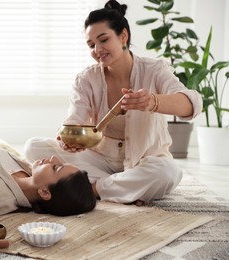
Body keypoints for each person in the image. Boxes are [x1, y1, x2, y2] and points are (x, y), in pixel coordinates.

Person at [24, 0, 202, 206]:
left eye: (103, 40)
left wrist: (153, 102)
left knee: (168, 172)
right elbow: (76, 118)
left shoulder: (154, 70)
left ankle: (93, 189)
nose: (97, 49)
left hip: (144, 163)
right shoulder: (86, 79)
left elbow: (191, 104)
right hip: (99, 161)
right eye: (91, 45)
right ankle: (125, 188)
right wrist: (69, 140)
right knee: (34, 147)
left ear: (123, 36)